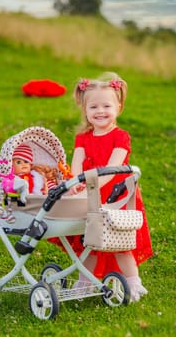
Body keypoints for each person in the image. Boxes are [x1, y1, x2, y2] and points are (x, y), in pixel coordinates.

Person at [69, 72, 153, 302]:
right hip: (90, 195)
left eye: (106, 105)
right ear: (85, 110)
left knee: (120, 242)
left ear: (119, 106)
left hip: (117, 196)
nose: (100, 111)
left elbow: (113, 168)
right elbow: (76, 164)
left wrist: (91, 186)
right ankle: (85, 282)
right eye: (93, 106)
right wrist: (75, 182)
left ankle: (134, 282)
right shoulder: (83, 138)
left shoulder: (120, 137)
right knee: (90, 242)